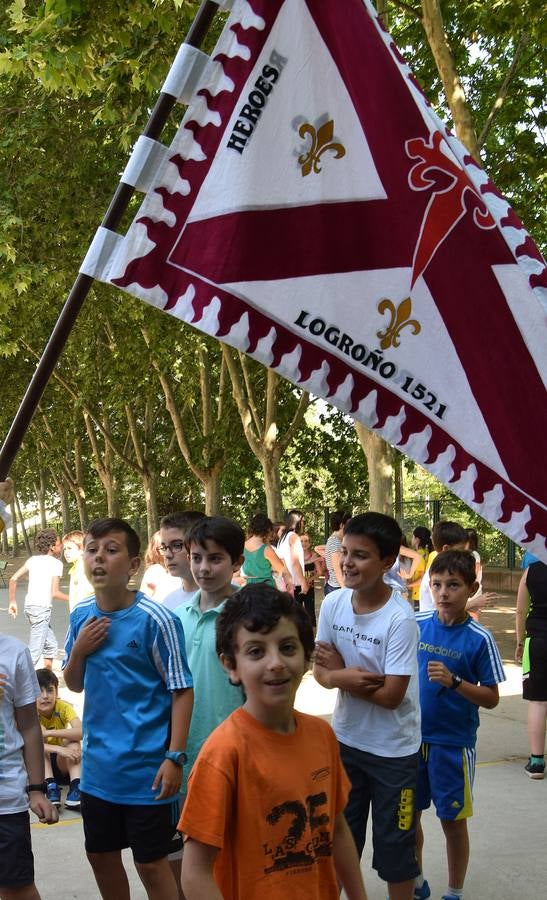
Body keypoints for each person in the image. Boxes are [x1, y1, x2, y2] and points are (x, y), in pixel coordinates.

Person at [179, 584, 368, 900]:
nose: (276, 662)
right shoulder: (224, 752)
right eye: (256, 651)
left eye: (288, 647)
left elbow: (336, 829)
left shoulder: (322, 736)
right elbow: (195, 873)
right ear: (231, 665)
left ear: (307, 657)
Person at [62, 517, 194, 900]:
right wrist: (80, 650)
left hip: (148, 772)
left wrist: (174, 756)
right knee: (101, 858)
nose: (98, 558)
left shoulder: (157, 620)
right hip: (99, 769)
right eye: (91, 549)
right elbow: (74, 683)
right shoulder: (81, 615)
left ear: (133, 565)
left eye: (111, 550)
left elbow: (181, 691)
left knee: (152, 864)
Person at [314, 512, 421, 900]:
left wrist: (341, 675)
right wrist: (346, 677)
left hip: (395, 752)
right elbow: (322, 674)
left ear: (388, 562)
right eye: (345, 552)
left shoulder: (399, 619)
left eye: (361, 555)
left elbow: (393, 697)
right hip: (346, 744)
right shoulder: (333, 605)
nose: (347, 562)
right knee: (340, 841)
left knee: (396, 848)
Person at [415, 550, 505, 900]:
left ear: (472, 589)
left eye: (453, 585)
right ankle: (417, 881)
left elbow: (492, 697)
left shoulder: (479, 638)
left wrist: (454, 682)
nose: (443, 593)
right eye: (437, 585)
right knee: (408, 819)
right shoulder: (417, 623)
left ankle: (454, 891)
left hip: (452, 744)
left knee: (452, 822)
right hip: (411, 741)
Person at [0, 632, 59, 900]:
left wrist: (36, 789)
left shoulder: (14, 652)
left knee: (17, 888)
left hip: (6, 799)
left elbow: (29, 725)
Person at [8, 529, 68, 668]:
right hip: (41, 609)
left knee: (51, 646)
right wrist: (75, 597)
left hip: (30, 608)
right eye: (60, 544)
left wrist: (12, 601)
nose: (61, 547)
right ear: (52, 547)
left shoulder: (32, 560)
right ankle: (12, 679)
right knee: (34, 653)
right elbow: (55, 593)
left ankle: (46, 680)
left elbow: (13, 578)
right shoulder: (56, 564)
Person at [515, 559, 547, 779]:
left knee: (538, 700)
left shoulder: (532, 571)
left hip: (537, 640)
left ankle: (536, 762)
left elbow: (520, 610)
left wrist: (519, 642)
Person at [35, 668, 82, 810]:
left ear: (57, 692)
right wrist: (59, 749)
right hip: (41, 769)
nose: (45, 696)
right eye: (39, 691)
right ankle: (51, 788)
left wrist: (52, 733)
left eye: (50, 690)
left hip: (63, 765)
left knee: (73, 742)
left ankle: (76, 788)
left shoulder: (63, 707)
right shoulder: (30, 712)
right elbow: (33, 743)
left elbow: (81, 731)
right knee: (38, 747)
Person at [159, 511, 206, 611]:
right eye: (163, 547)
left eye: (177, 545)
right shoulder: (168, 603)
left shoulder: (234, 599)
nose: (167, 555)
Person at [242, 513, 292, 589]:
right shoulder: (266, 549)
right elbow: (280, 568)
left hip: (249, 587)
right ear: (267, 529)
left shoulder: (242, 545)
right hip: (266, 588)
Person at [140, 530, 180, 602]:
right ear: (155, 551)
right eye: (163, 548)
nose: (168, 553)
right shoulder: (155, 571)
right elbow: (145, 599)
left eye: (175, 547)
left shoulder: (178, 570)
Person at [275, 509, 307, 599]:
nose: (304, 524)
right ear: (297, 522)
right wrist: (303, 581)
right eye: (303, 521)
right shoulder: (294, 537)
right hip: (294, 583)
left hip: (285, 582)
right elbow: (295, 561)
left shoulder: (283, 538)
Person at [62, 530, 93, 612]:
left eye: (69, 548)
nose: (66, 552)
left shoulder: (83, 567)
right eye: (64, 549)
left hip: (85, 613)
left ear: (82, 550)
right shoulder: (76, 567)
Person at [322, 510, 351, 596]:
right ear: (342, 525)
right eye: (349, 524)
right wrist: (345, 589)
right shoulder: (335, 542)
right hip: (336, 588)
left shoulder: (338, 541)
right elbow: (338, 568)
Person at [300, 531, 323, 626]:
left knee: (310, 611)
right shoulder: (294, 555)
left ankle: (312, 633)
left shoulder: (314, 555)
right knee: (296, 610)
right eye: (301, 541)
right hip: (297, 586)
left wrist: (309, 580)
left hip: (310, 586)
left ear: (310, 543)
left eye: (306, 541)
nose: (304, 543)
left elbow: (320, 572)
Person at [407, 527, 433, 608]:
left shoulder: (418, 556)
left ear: (417, 539)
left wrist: (407, 585)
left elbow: (422, 579)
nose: (411, 539)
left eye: (412, 537)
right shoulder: (426, 553)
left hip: (419, 595)